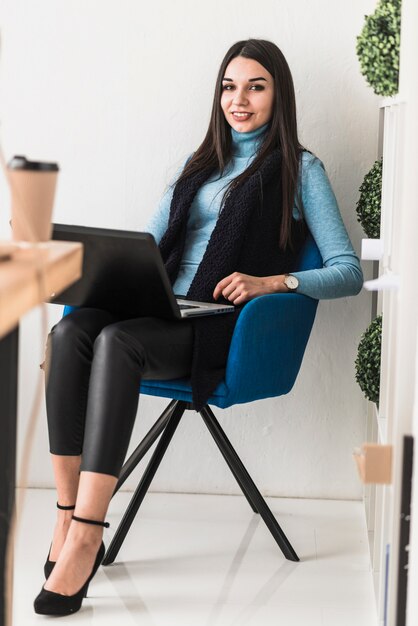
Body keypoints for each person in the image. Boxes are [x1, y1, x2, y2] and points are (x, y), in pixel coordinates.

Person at [34, 38, 363, 616]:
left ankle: (87, 534)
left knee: (117, 341)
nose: (239, 100)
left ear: (278, 95)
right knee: (69, 335)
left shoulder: (299, 169)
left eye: (256, 86)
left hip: (218, 329)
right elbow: (142, 248)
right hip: (164, 308)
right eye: (229, 86)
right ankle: (66, 519)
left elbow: (347, 273)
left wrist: (274, 282)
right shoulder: (197, 167)